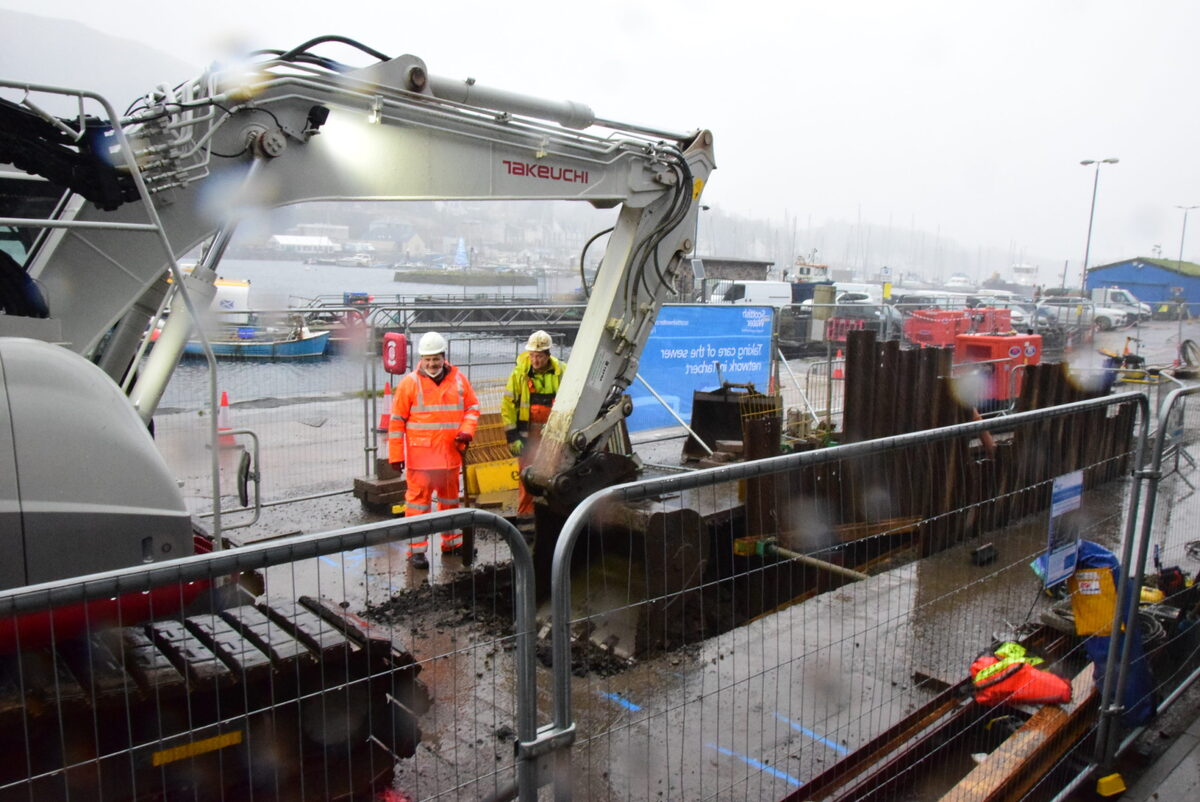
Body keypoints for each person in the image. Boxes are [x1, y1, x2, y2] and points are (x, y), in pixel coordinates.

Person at [388, 331, 480, 568]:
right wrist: (396, 455)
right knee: (418, 504)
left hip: (450, 455)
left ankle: (452, 543)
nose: (432, 364)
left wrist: (467, 430)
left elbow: (472, 408)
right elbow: (396, 421)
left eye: (435, 358)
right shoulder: (410, 383)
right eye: (427, 359)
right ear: (421, 358)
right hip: (422, 459)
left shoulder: (459, 380)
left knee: (450, 502)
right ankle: (416, 551)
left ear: (443, 356)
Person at [501, 330, 566, 517]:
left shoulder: (562, 372)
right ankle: (526, 520)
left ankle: (552, 517)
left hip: (552, 436)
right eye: (532, 355)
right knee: (527, 477)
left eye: (539, 356)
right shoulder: (519, 374)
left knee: (554, 475)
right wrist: (512, 438)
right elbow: (507, 408)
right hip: (527, 437)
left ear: (548, 355)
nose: (535, 361)